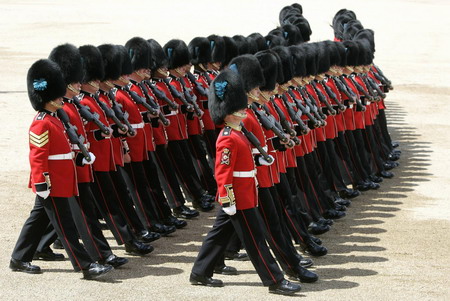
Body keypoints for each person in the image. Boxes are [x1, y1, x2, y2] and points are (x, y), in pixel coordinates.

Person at [190, 68, 301, 296]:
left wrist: (259, 158)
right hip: (238, 196)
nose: (243, 109)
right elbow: (222, 172)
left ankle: (200, 271)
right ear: (228, 112)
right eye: (238, 107)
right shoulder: (227, 138)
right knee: (255, 239)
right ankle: (274, 280)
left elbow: (244, 159)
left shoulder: (238, 132)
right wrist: (227, 198)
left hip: (247, 190)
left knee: (220, 233)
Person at [9, 59, 113, 279]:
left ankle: (19, 258)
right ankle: (85, 265)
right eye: (56, 94)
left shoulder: (54, 118)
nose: (60, 97)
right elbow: (38, 156)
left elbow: (63, 151)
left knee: (37, 220)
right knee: (66, 226)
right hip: (52, 182)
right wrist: (41, 183)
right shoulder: (41, 122)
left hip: (63, 178)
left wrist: (79, 160)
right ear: (46, 97)